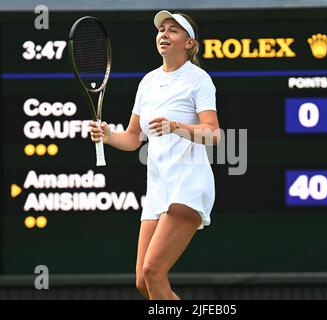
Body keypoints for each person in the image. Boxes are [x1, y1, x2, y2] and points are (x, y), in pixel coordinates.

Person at [89, 10, 220, 300]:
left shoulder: (199, 80)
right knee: (142, 281)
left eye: (174, 30)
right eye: (162, 29)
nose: (164, 34)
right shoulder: (147, 82)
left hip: (188, 185)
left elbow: (213, 133)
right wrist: (109, 136)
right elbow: (134, 138)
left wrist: (176, 126)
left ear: (189, 43)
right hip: (158, 190)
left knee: (153, 272)